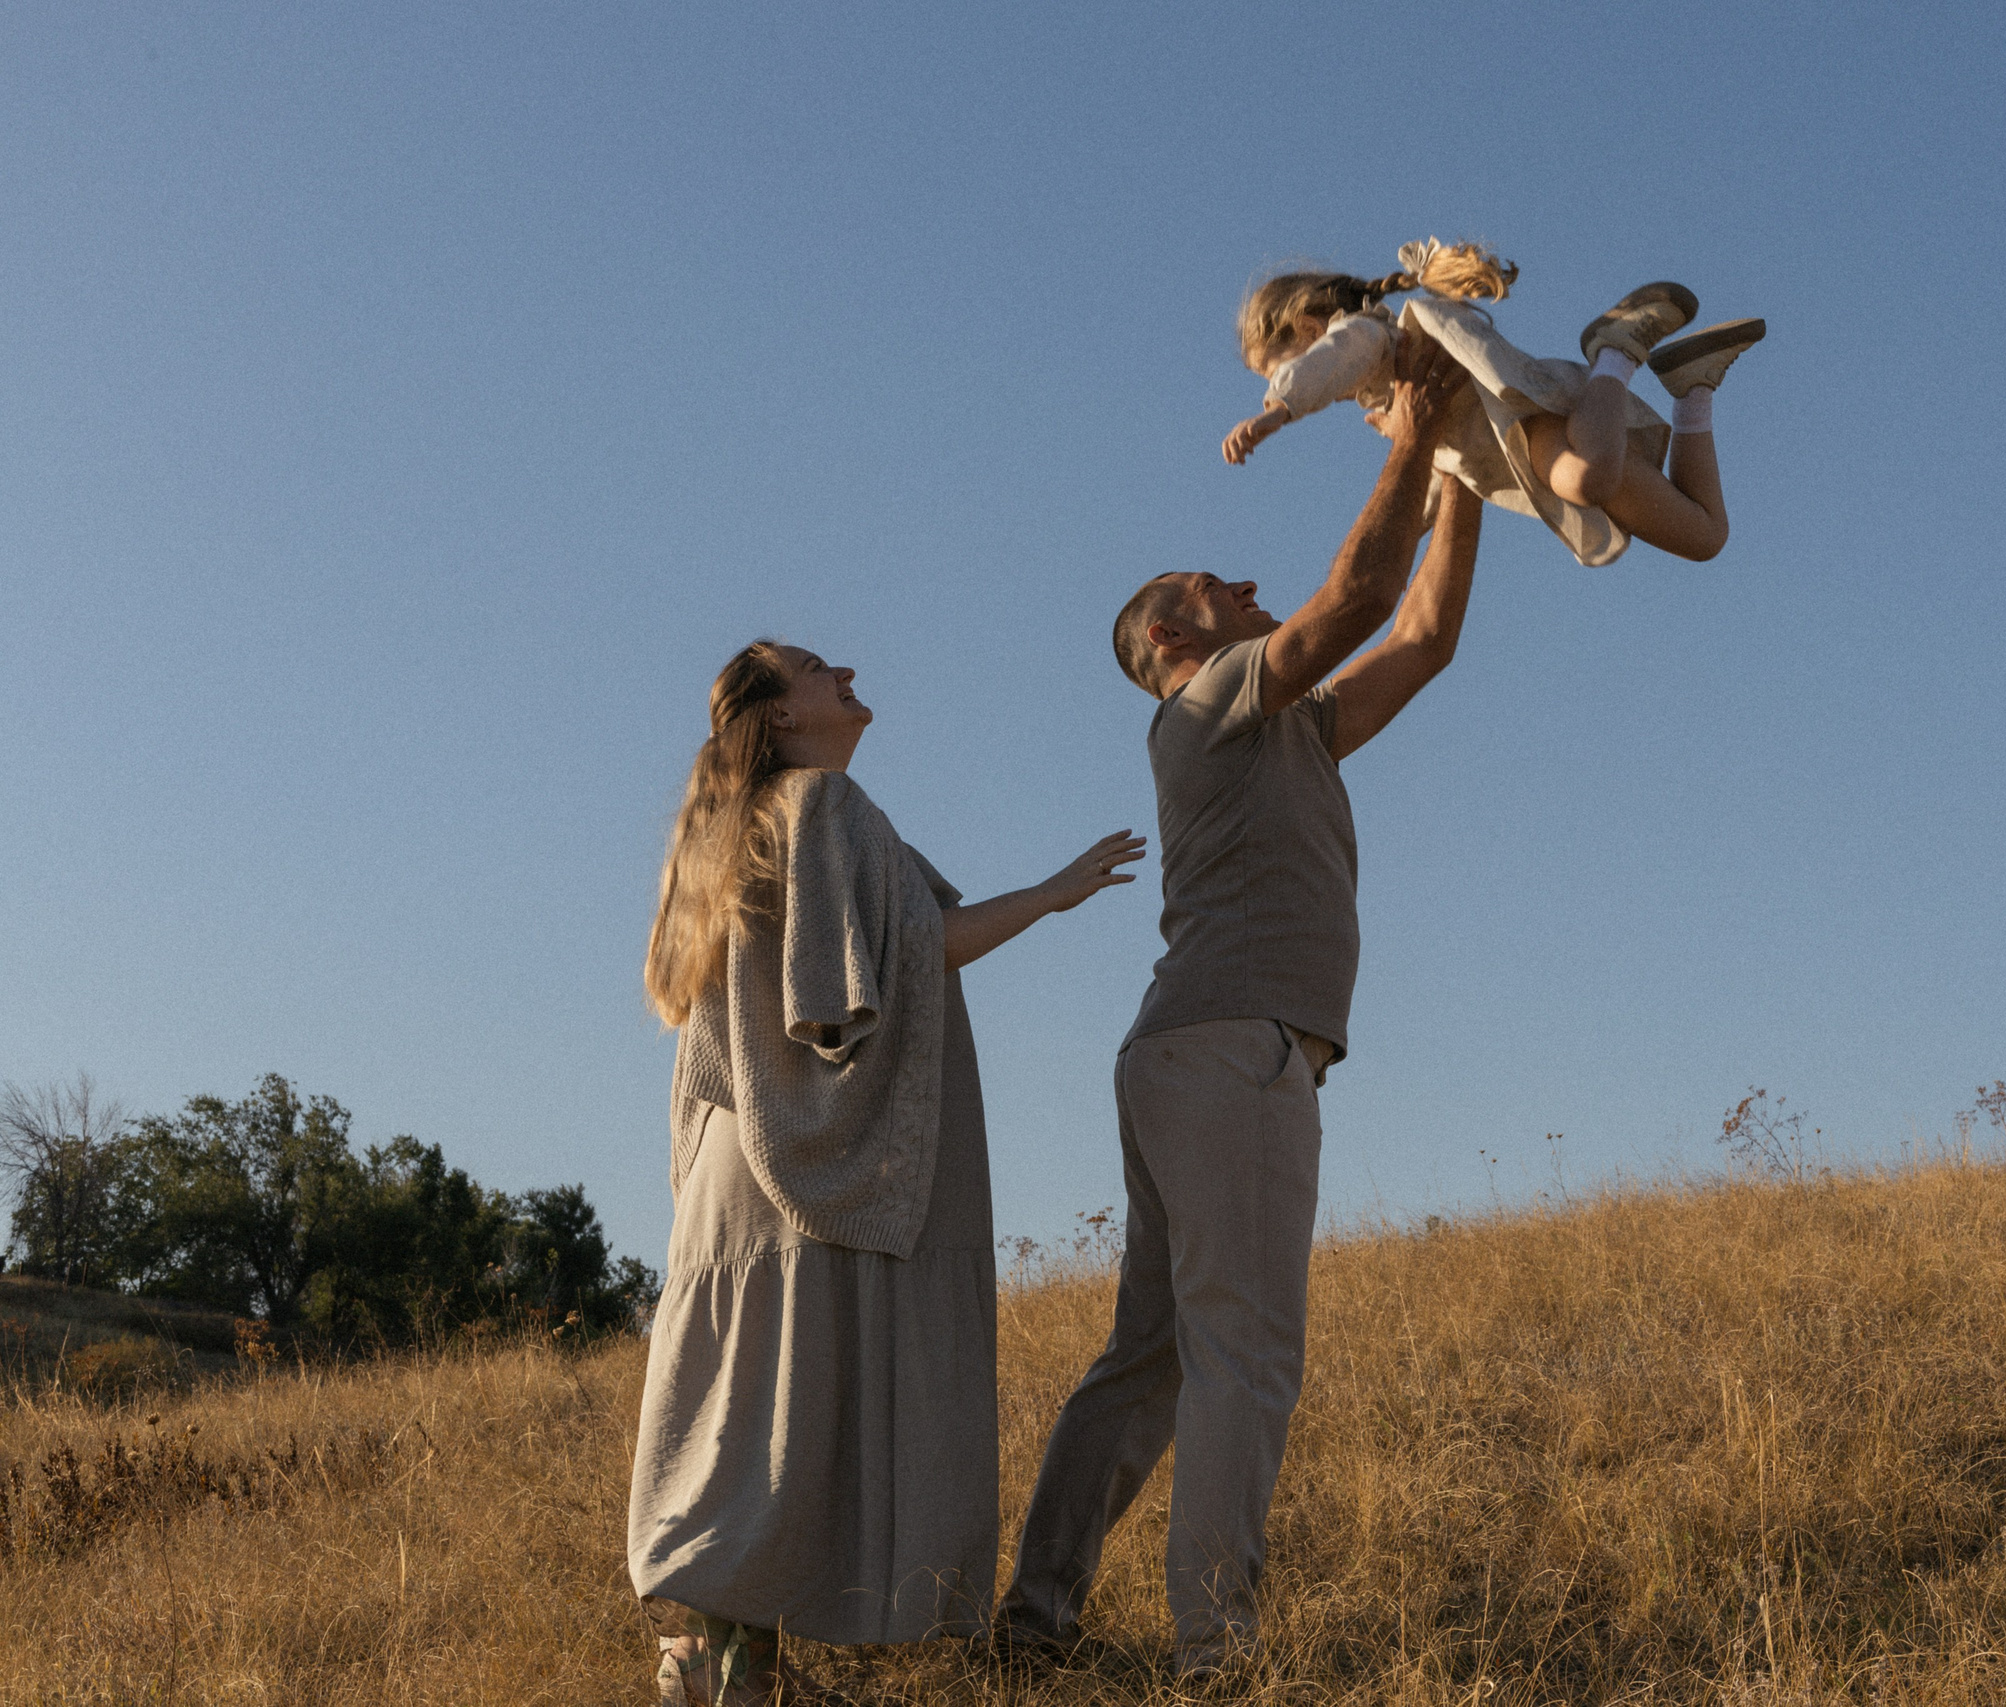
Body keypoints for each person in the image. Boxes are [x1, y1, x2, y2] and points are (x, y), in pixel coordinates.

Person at [998, 326, 1483, 1677]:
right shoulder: (1207, 702)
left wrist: (1462, 468)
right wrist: (1413, 433)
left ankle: (1035, 1622)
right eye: (1219, 585)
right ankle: (1216, 1653)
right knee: (1247, 1354)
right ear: (1173, 636)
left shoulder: (1290, 726)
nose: (1251, 587)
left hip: (1187, 1051)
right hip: (1229, 1052)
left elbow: (1423, 633)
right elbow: (1358, 593)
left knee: (1152, 1357)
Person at [628, 638, 1144, 1705]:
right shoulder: (822, 801)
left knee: (745, 1408)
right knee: (788, 1403)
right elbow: (905, 960)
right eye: (819, 668)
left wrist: (1051, 893)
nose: (848, 672)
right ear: (780, 715)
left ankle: (722, 1664)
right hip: (800, 1158)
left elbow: (902, 946)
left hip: (737, 1161)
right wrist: (1052, 894)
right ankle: (730, 1673)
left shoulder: (739, 826)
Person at [1223, 236, 1763, 568]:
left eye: (1278, 367)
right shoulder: (1396, 400)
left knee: (1588, 480)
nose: (1286, 378)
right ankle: (1694, 385)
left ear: (1309, 329)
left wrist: (1277, 409)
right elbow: (1436, 475)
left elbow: (1328, 361)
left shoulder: (1371, 339)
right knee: (1703, 536)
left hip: (1527, 422)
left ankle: (1616, 349)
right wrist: (1400, 543)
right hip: (1556, 433)